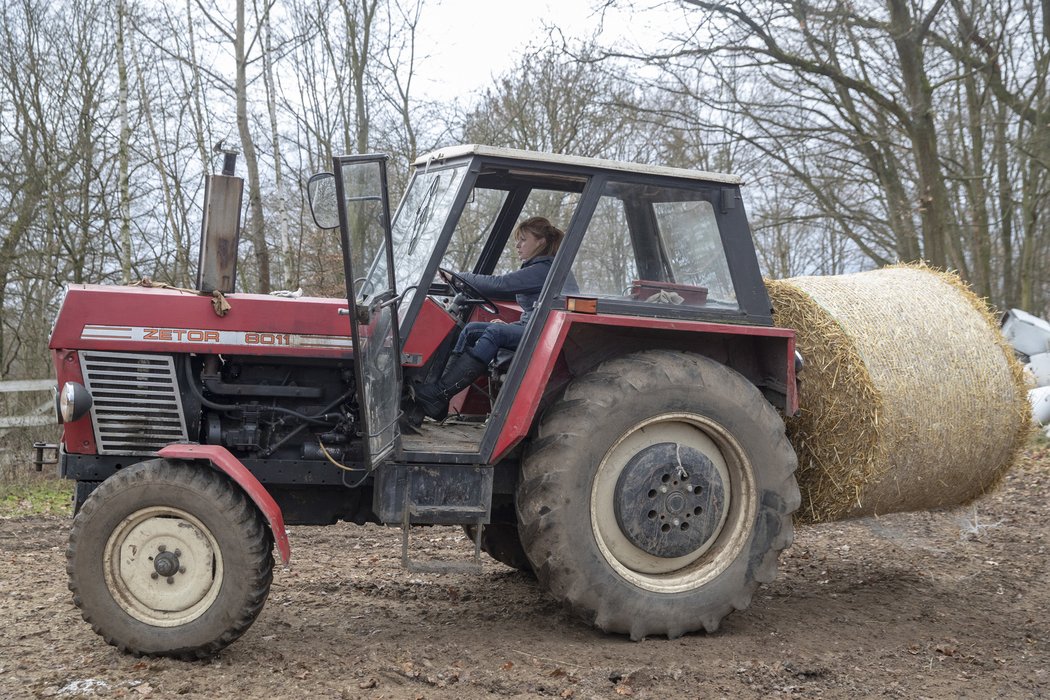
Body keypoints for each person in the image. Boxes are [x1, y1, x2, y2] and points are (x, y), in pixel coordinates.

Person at [410, 216, 576, 421]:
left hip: (548, 333)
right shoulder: (540, 268)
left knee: (494, 332)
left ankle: (440, 393)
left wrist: (458, 276)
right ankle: (438, 394)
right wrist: (512, 326)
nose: (517, 245)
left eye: (523, 239)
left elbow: (500, 284)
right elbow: (535, 313)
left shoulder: (546, 269)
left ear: (540, 241)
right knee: (471, 330)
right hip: (536, 326)